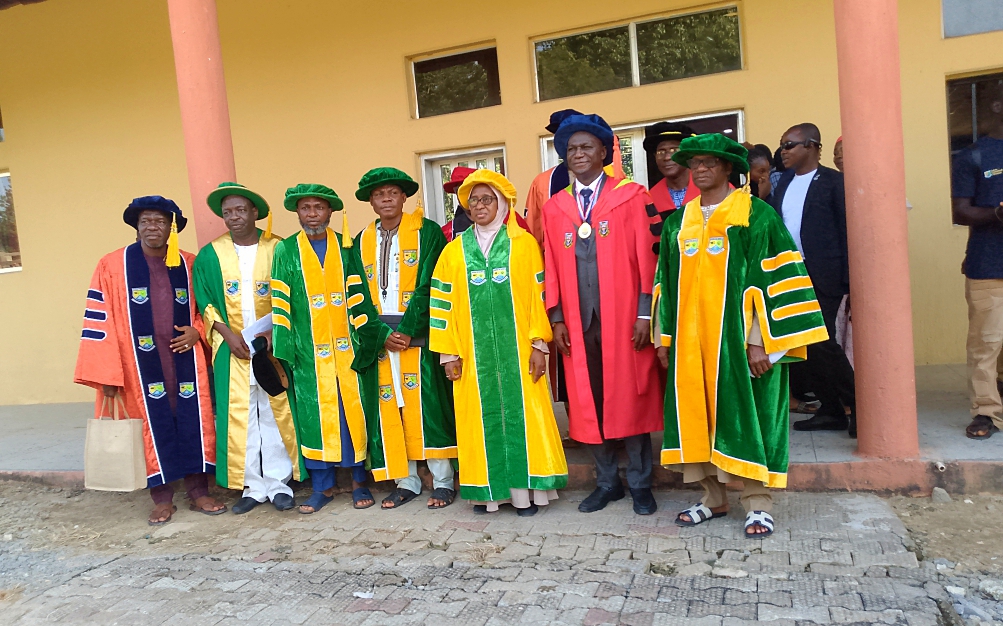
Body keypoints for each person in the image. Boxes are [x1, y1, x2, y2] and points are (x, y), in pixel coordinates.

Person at [653, 134, 828, 538]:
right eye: (695, 163)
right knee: (698, 419)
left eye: (710, 162)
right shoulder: (679, 222)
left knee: (748, 418)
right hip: (691, 345)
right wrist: (665, 339)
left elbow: (775, 278)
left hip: (738, 344)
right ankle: (712, 497)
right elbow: (665, 281)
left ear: (729, 168)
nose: (700, 169)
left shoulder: (755, 216)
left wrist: (759, 340)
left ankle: (758, 502)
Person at [75, 196, 225, 525]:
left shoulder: (190, 263)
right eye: (146, 221)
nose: (152, 227)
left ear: (173, 228)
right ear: (136, 226)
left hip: (184, 360)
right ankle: (161, 497)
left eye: (160, 221)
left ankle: (199, 492)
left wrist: (197, 332)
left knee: (193, 422)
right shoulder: (112, 266)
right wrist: (107, 375)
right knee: (149, 425)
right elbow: (101, 322)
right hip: (136, 365)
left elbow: (210, 308)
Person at [542, 113, 663, 516]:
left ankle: (642, 484)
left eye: (586, 147)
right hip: (578, 321)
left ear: (604, 153)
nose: (578, 154)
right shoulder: (556, 206)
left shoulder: (632, 196)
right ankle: (607, 482)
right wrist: (556, 317)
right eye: (571, 149)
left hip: (625, 318)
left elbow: (650, 261)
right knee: (588, 401)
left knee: (631, 397)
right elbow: (551, 265)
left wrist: (646, 315)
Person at [429, 169, 568, 516]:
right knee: (479, 419)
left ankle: (527, 494)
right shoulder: (454, 252)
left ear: (503, 203)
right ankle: (488, 494)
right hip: (473, 357)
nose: (479, 205)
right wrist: (449, 353)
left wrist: (540, 345)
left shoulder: (522, 246)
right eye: (473, 200)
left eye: (486, 199)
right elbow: (442, 304)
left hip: (519, 352)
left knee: (525, 417)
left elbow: (538, 297)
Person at [270, 183, 389, 512]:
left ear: (330, 212)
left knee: (352, 411)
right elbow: (280, 305)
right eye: (305, 208)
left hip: (348, 349)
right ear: (297, 213)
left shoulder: (346, 246)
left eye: (318, 208)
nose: (312, 214)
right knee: (314, 416)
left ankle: (357, 481)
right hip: (308, 351)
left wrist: (365, 342)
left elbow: (360, 295)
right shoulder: (285, 251)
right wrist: (285, 354)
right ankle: (322, 487)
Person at [192, 182, 304, 514]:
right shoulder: (210, 254)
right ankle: (252, 486)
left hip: (272, 344)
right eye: (227, 212)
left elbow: (292, 294)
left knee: (274, 412)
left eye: (241, 210)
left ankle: (279, 483)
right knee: (242, 416)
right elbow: (206, 301)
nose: (234, 217)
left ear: (255, 212)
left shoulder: (278, 248)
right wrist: (227, 335)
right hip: (232, 348)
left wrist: (272, 335)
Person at [353, 167, 457, 509]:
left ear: (404, 197)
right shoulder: (361, 240)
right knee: (391, 408)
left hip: (418, 337)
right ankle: (406, 480)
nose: (386, 198)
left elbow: (432, 282)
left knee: (427, 407)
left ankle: (443, 481)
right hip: (381, 340)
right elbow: (355, 293)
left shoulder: (427, 232)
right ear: (370, 201)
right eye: (379, 193)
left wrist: (409, 329)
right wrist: (381, 334)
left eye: (393, 192)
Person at [771, 123, 857, 437]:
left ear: (811, 146)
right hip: (791, 275)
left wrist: (849, 280)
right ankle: (831, 411)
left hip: (825, 274)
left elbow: (848, 233)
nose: (784, 151)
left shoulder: (834, 182)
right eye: (782, 145)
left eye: (789, 145)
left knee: (823, 342)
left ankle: (858, 407)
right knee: (806, 345)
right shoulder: (782, 185)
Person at [951, 80, 1003, 439]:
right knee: (986, 343)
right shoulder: (974, 155)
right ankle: (986, 412)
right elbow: (961, 211)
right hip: (988, 265)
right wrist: (999, 214)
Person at [525, 109, 583, 244]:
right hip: (556, 258)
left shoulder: (611, 177)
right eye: (564, 139)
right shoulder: (542, 182)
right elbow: (534, 232)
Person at [643, 121, 699, 255]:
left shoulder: (712, 190)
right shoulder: (649, 199)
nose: (667, 157)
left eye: (674, 150)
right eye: (661, 151)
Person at [442, 166, 529, 243]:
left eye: (486, 199)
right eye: (459, 191)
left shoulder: (511, 220)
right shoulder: (450, 230)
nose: (479, 205)